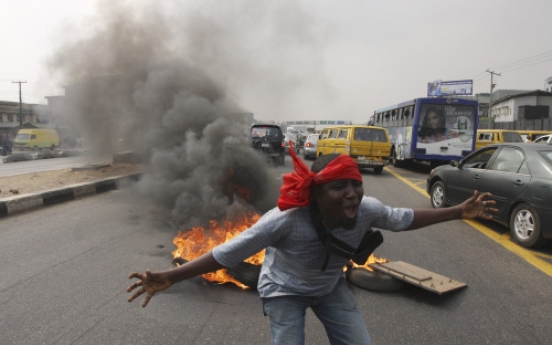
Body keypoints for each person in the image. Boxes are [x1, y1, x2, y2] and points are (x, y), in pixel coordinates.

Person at [127, 149, 497, 345]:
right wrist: (171, 277)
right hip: (284, 291)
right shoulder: (285, 219)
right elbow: (227, 253)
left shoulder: (367, 210)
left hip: (329, 288)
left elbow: (406, 218)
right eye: (340, 187)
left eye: (356, 185)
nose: (352, 194)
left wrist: (458, 213)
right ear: (317, 194)